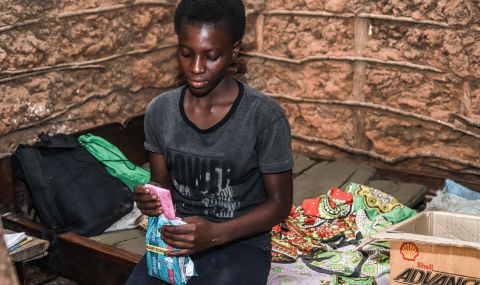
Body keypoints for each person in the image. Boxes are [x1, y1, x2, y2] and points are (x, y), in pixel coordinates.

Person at [126, 0, 293, 284]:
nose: (196, 67)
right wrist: (148, 196)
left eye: (211, 55)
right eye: (186, 53)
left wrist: (215, 234)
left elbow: (280, 204)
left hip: (242, 241)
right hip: (178, 235)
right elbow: (161, 183)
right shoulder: (160, 111)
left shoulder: (263, 116)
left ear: (234, 50)